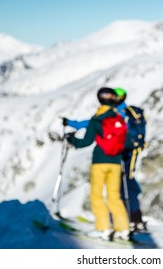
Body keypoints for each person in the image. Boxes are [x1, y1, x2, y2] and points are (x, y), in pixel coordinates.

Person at [65, 87, 130, 241]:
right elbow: (126, 142)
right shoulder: (119, 119)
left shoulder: (97, 119)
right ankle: (124, 229)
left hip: (100, 161)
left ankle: (103, 228)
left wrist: (71, 139)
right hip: (116, 162)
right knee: (114, 196)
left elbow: (85, 142)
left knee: (97, 196)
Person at [113, 87, 148, 232]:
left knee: (126, 181)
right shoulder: (124, 112)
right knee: (127, 181)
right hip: (128, 151)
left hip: (127, 151)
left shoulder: (122, 113)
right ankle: (135, 218)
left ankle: (134, 218)